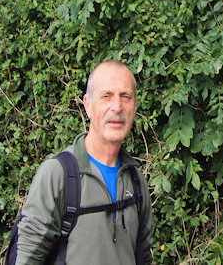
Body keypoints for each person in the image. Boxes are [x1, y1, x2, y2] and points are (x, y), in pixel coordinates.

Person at [14, 60, 154, 264]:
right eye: (106, 96)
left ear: (134, 105)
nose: (117, 107)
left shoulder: (135, 180)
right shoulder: (58, 175)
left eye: (126, 97)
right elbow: (28, 258)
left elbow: (144, 257)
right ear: (87, 105)